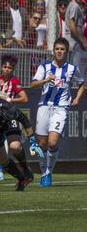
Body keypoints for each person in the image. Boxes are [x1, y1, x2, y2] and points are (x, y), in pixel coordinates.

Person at [31, 37, 85, 187]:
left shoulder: (72, 69)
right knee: (42, 143)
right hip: (44, 106)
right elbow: (33, 84)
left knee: (52, 142)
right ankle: (43, 172)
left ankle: (48, 173)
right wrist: (46, 80)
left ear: (66, 52)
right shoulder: (44, 67)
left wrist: (77, 98)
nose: (59, 52)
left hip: (61, 109)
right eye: (57, 49)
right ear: (53, 51)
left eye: (62, 49)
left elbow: (82, 84)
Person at [0, 91, 42, 192]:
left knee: (14, 146)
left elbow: (24, 119)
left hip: (8, 123)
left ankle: (25, 169)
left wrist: (32, 140)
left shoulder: (5, 108)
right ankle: (22, 179)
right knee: (2, 161)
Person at [0, 54, 28, 185]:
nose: (6, 70)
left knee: (14, 146)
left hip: (10, 117)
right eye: (4, 67)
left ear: (13, 70)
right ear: (1, 67)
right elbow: (0, 95)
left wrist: (10, 100)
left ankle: (24, 169)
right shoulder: (0, 80)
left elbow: (24, 98)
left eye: (9, 68)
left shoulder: (14, 82)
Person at [65, 0, 87, 79]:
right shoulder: (74, 6)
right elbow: (72, 27)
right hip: (73, 45)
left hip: (74, 44)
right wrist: (83, 41)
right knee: (77, 76)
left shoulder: (74, 6)